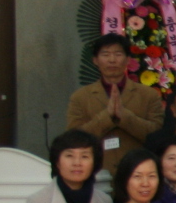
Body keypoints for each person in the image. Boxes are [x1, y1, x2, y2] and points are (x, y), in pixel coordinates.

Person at [68, 34, 165, 173]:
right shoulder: (80, 97)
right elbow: (74, 139)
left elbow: (157, 136)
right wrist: (106, 116)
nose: (112, 60)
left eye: (118, 54)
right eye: (105, 54)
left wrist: (124, 116)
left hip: (138, 172)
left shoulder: (148, 95)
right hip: (96, 172)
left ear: (128, 59)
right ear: (95, 60)